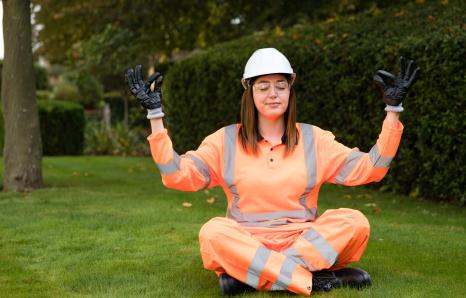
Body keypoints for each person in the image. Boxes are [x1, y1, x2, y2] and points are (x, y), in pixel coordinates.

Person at [125, 48, 420, 296]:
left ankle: (251, 276)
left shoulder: (314, 139)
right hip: (247, 240)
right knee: (213, 232)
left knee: (355, 222)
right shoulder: (224, 140)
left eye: (280, 85)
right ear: (249, 92)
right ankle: (314, 280)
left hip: (303, 240)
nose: (272, 93)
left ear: (290, 90)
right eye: (263, 86)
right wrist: (155, 116)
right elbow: (177, 175)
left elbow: (371, 169)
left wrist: (393, 111)